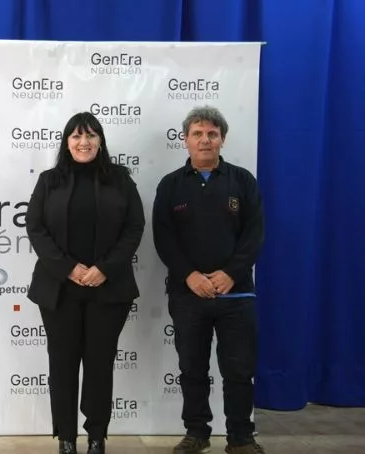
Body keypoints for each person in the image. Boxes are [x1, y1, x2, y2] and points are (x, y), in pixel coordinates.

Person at [26, 112, 145, 454]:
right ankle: (66, 438)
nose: (84, 142)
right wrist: (68, 268)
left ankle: (96, 437)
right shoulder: (49, 181)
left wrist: (105, 268)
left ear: (100, 141)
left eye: (91, 135)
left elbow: (134, 227)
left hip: (108, 289)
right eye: (77, 136)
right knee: (62, 365)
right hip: (59, 290)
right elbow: (35, 227)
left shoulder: (120, 179)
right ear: (67, 143)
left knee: (99, 365)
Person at [153, 106, 265, 454]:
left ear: (222, 140)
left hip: (236, 295)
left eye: (212, 134)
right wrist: (189, 276)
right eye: (198, 134)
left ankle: (241, 438)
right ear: (185, 140)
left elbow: (254, 233)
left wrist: (231, 273)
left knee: (238, 371)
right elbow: (163, 238)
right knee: (192, 369)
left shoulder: (243, 181)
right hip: (188, 295)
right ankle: (197, 432)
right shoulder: (171, 185)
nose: (205, 140)